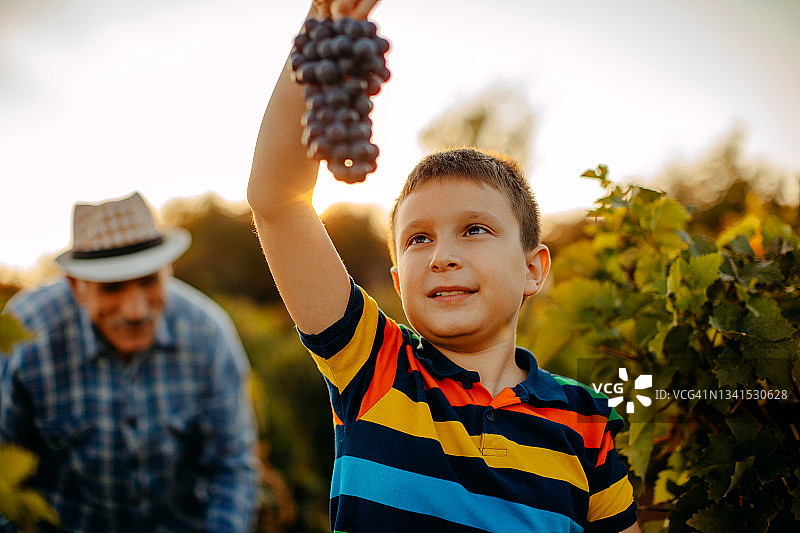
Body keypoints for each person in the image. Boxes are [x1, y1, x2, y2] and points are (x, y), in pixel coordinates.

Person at [247, 0, 640, 531]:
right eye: (417, 239)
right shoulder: (375, 367)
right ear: (396, 282)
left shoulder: (588, 423)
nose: (441, 256)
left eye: (475, 230)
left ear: (534, 269)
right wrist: (322, 26)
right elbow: (277, 199)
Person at [0, 192, 260, 533]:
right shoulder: (26, 336)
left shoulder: (207, 334)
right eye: (112, 288)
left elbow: (232, 466)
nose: (136, 310)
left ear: (168, 270)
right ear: (77, 288)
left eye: (148, 281)